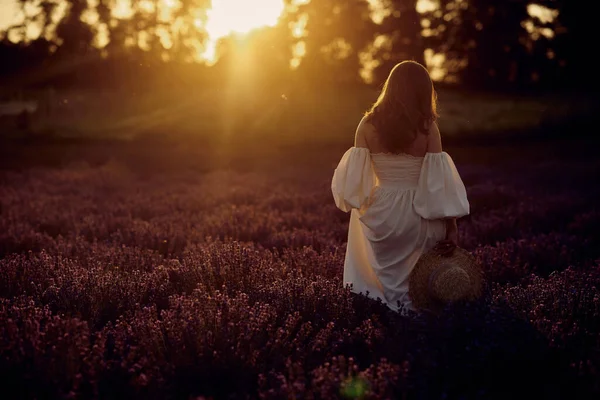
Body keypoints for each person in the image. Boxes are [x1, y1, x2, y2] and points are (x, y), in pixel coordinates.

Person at [331, 60, 470, 315]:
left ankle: (389, 321)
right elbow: (439, 185)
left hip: (382, 210)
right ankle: (419, 321)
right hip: (420, 211)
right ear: (423, 90)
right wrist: (451, 227)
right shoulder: (427, 127)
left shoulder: (367, 124)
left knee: (383, 279)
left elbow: (355, 185)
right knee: (419, 284)